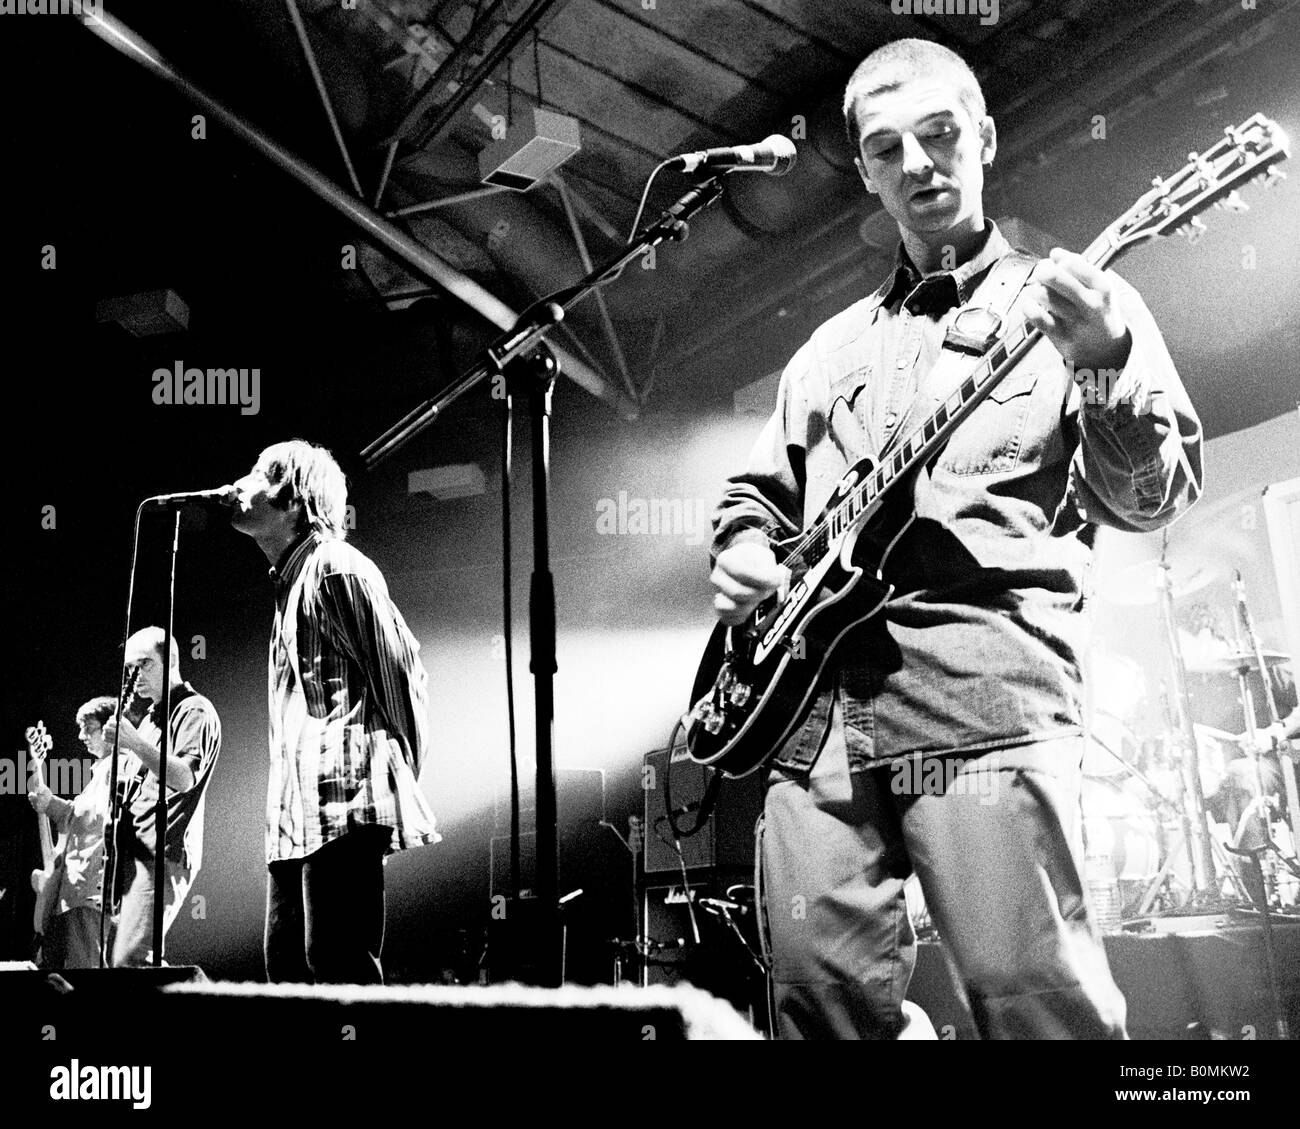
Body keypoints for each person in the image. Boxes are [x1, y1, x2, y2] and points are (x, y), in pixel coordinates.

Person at [708, 39, 1203, 1039]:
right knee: (814, 999)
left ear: (980, 138)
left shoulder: (1076, 301)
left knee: (1032, 1000)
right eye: (887, 148)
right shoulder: (827, 350)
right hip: (818, 723)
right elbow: (754, 495)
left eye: (938, 136)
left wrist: (1102, 366)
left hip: (983, 696)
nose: (918, 164)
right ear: (864, 170)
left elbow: (1149, 498)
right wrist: (742, 548)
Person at [229, 439, 438, 984]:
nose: (239, 484)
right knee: (288, 975)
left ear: (293, 499)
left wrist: (400, 775)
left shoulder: (334, 568)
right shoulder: (289, 582)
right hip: (294, 814)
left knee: (341, 972)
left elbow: (400, 670)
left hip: (342, 800)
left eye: (255, 473)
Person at [105, 627, 222, 967]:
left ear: (170, 660)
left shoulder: (194, 710)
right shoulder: (151, 718)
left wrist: (135, 744)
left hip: (162, 852)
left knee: (131, 960)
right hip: (136, 851)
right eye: (129, 669)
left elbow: (185, 777)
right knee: (119, 961)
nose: (134, 676)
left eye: (144, 664)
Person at [27, 696, 139, 969]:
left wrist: (52, 804)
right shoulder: (102, 771)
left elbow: (98, 820)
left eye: (89, 728)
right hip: (76, 893)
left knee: (83, 973)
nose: (81, 736)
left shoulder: (120, 767)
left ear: (111, 729)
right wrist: (48, 798)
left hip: (88, 893)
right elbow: (78, 817)